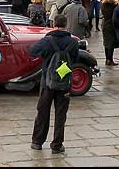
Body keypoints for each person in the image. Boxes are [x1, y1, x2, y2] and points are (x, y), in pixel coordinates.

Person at [29, 13, 78, 154]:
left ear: (53, 24)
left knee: (43, 111)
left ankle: (37, 142)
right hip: (64, 82)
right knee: (61, 114)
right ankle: (57, 144)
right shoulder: (73, 42)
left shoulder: (47, 40)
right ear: (66, 25)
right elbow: (74, 59)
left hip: (47, 81)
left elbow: (32, 51)